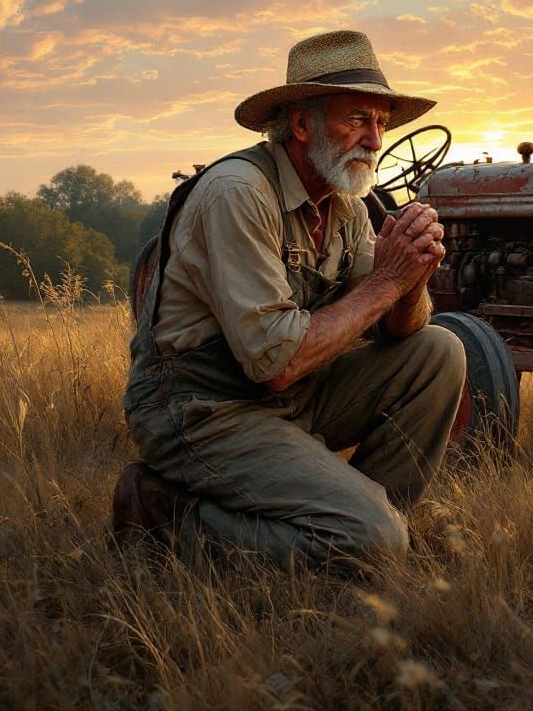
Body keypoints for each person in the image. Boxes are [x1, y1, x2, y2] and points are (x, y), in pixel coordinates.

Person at [112, 29, 466, 570]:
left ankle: (358, 530)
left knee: (439, 352)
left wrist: (414, 273)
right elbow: (274, 362)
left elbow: (399, 329)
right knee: (373, 542)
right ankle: (164, 518)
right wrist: (388, 282)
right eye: (356, 120)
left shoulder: (344, 204)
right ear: (301, 124)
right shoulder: (238, 193)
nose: (374, 140)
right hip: (200, 408)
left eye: (381, 123)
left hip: (285, 401)